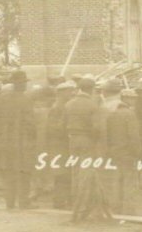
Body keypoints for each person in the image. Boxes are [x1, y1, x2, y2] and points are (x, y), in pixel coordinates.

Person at [0, 70, 37, 210]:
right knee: (24, 172)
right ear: (20, 84)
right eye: (24, 83)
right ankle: (23, 202)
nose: (25, 86)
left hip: (4, 143)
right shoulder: (26, 99)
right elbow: (31, 124)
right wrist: (33, 137)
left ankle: (9, 203)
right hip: (21, 143)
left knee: (8, 172)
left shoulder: (1, 98)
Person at [66, 77, 111, 221]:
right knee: (87, 174)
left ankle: (78, 204)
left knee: (76, 173)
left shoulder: (69, 104)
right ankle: (82, 208)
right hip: (87, 141)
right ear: (91, 89)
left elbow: (63, 124)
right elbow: (96, 128)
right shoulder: (92, 106)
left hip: (72, 140)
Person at [100, 79, 142, 215]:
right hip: (127, 152)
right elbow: (134, 136)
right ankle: (129, 210)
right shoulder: (128, 113)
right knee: (129, 181)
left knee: (114, 180)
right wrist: (138, 152)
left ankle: (114, 207)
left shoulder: (104, 110)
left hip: (111, 151)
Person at [48, 80, 75, 209]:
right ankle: (60, 201)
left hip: (62, 143)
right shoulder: (57, 107)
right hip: (59, 144)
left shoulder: (63, 105)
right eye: (69, 91)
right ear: (61, 93)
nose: (72, 94)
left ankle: (65, 200)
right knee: (62, 174)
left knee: (66, 173)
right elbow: (54, 127)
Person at [29, 85, 55, 203]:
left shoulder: (34, 110)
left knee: (37, 163)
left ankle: (37, 186)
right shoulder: (48, 110)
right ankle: (46, 185)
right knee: (46, 162)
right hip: (46, 140)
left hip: (36, 140)